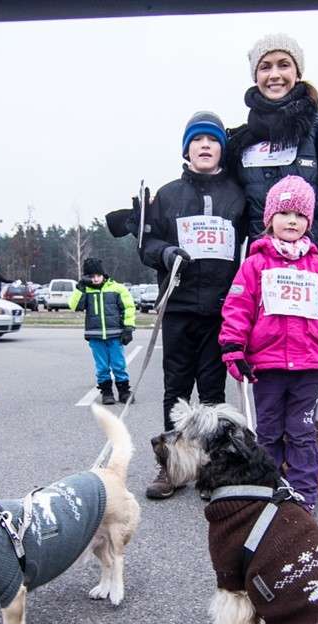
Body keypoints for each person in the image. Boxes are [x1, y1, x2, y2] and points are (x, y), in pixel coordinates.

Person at [226, 34, 318, 500]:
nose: (275, 74)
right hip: (266, 275)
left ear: (297, 72)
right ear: (254, 75)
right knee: (270, 377)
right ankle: (273, 466)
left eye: (284, 64)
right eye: (265, 65)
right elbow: (225, 201)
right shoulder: (241, 140)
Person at [107, 111, 246, 500]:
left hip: (222, 308)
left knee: (214, 394)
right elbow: (146, 245)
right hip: (180, 307)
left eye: (213, 140)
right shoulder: (168, 195)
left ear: (222, 148)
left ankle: (214, 468)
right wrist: (167, 252)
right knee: (178, 391)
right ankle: (171, 467)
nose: (205, 146)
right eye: (197, 140)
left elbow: (253, 245)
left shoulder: (237, 195)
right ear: (186, 149)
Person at [219, 176, 318, 512]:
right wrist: (233, 348)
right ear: (270, 220)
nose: (292, 221)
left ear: (309, 222)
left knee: (301, 433)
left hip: (308, 367)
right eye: (283, 213)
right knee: (266, 434)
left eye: (299, 215)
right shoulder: (254, 265)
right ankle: (268, 493)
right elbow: (238, 308)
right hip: (266, 368)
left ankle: (302, 498)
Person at [68, 258, 135, 406]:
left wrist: (128, 328)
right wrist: (80, 288)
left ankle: (124, 391)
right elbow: (74, 306)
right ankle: (107, 392)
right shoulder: (86, 290)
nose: (95, 278)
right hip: (96, 336)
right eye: (91, 276)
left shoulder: (117, 288)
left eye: (98, 275)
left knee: (118, 364)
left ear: (103, 274)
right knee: (102, 366)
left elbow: (129, 308)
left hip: (115, 334)